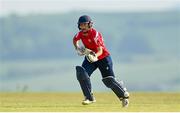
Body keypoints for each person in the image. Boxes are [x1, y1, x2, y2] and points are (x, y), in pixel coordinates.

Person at [73, 15, 129, 107]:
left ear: (90, 24)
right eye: (81, 25)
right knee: (81, 73)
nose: (82, 27)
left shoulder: (95, 34)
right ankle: (89, 98)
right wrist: (78, 48)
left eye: (85, 25)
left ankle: (123, 95)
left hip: (103, 58)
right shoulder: (80, 34)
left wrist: (95, 56)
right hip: (90, 57)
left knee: (109, 81)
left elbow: (100, 50)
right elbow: (75, 40)